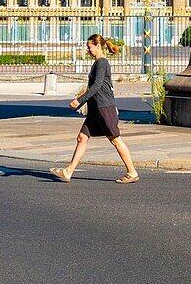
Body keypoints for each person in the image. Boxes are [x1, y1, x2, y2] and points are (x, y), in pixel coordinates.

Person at [50, 34, 139, 184]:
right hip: (97, 109)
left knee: (115, 140)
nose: (88, 50)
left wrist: (79, 100)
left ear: (98, 46)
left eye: (90, 47)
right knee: (82, 138)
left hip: (104, 107)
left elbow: (96, 86)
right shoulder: (98, 63)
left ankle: (132, 172)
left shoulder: (102, 62)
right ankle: (68, 172)